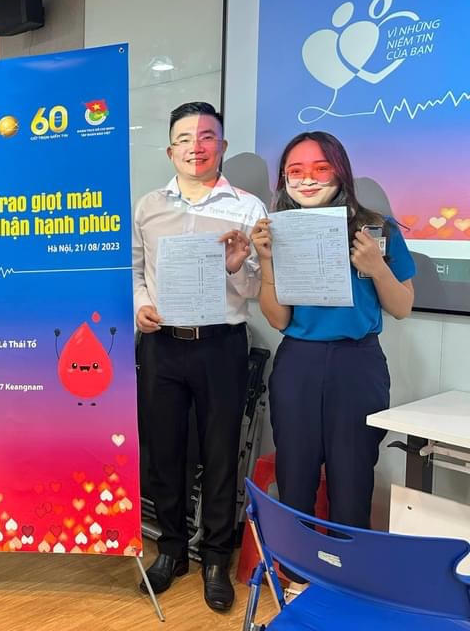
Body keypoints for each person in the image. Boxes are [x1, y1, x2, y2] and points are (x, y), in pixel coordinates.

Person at [250, 131, 414, 568]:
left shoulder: (375, 228)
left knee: (353, 477)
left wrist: (376, 268)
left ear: (340, 171)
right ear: (283, 178)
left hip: (357, 363)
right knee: (295, 474)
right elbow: (278, 319)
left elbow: (402, 306)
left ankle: (348, 575)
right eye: (295, 171)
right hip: (298, 362)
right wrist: (266, 260)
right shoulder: (278, 230)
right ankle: (297, 571)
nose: (307, 180)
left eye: (320, 169)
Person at [132, 102, 266, 611]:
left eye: (207, 137)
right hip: (162, 344)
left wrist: (235, 266)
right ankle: (170, 549)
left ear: (222, 146)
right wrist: (140, 306)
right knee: (164, 451)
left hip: (221, 345)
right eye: (185, 139)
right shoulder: (148, 207)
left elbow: (257, 288)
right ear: (171, 150)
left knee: (219, 452)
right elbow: (134, 270)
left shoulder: (248, 208)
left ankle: (214, 558)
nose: (196, 147)